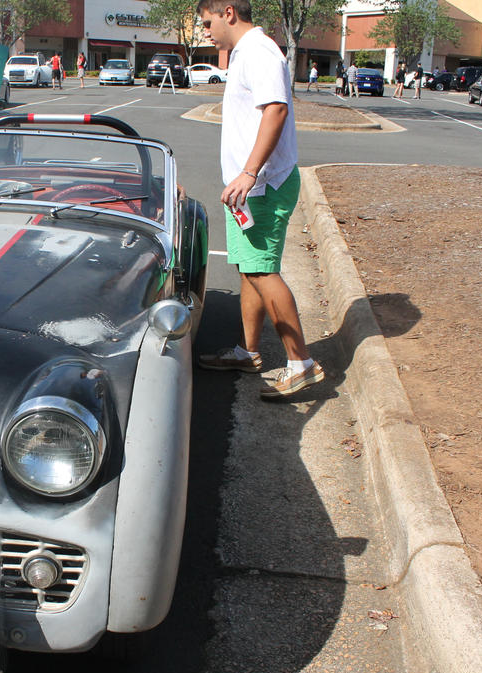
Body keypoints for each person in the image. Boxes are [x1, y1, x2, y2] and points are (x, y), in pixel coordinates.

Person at [195, 0, 324, 398]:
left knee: (263, 270)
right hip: (248, 190)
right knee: (250, 270)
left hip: (262, 187)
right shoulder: (245, 54)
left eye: (207, 21)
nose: (205, 30)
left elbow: (276, 111)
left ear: (228, 12)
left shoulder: (260, 51)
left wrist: (249, 173)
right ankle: (247, 353)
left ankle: (301, 363)